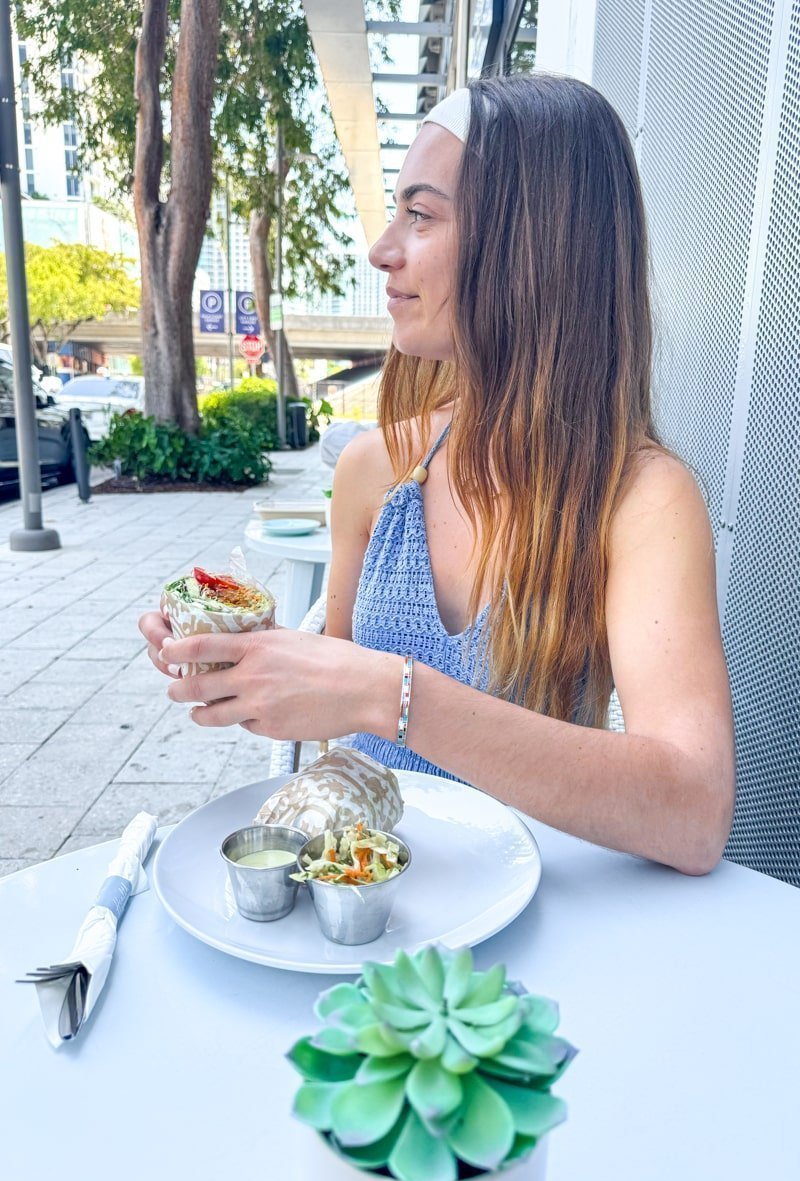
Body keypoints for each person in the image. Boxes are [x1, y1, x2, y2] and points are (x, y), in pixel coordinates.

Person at [140, 75, 734, 875]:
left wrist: (388, 693)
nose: (382, 249)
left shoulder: (642, 499)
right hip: (369, 910)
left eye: (420, 215)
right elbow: (334, 729)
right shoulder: (374, 470)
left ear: (531, 245)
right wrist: (263, 673)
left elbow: (693, 815)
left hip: (542, 929)